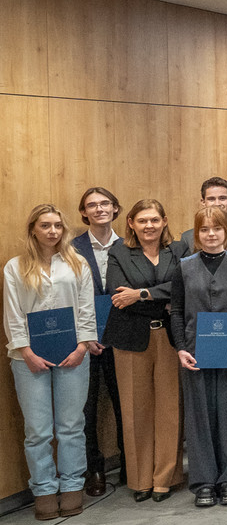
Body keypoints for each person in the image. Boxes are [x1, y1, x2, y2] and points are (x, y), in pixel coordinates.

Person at [5, 204, 97, 520]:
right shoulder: (15, 267)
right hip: (28, 358)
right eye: (45, 225)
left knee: (71, 426)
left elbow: (86, 309)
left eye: (57, 225)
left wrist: (83, 346)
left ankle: (72, 486)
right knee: (37, 430)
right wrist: (26, 352)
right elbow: (13, 314)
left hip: (74, 354)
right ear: (33, 229)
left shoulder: (77, 263)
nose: (53, 231)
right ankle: (44, 490)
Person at [171, 205, 227, 508]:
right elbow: (176, 312)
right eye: (204, 229)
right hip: (195, 353)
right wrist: (180, 347)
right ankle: (204, 481)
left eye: (217, 228)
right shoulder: (183, 267)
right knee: (199, 418)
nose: (211, 234)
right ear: (196, 233)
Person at [104, 200, 183, 502]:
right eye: (142, 220)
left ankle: (165, 478)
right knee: (135, 410)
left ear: (164, 221)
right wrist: (160, 296)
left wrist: (141, 294)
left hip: (169, 337)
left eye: (154, 220)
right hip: (130, 338)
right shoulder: (119, 252)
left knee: (169, 409)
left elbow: (182, 287)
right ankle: (140, 480)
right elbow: (117, 293)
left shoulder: (178, 250)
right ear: (131, 223)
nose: (149, 226)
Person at [73, 186, 124, 495]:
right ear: (84, 212)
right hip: (85, 341)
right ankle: (94, 469)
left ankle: (131, 462)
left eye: (105, 203)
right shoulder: (72, 248)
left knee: (125, 405)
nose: (99, 209)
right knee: (87, 409)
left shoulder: (129, 245)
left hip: (122, 338)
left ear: (115, 208)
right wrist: (87, 336)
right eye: (92, 205)